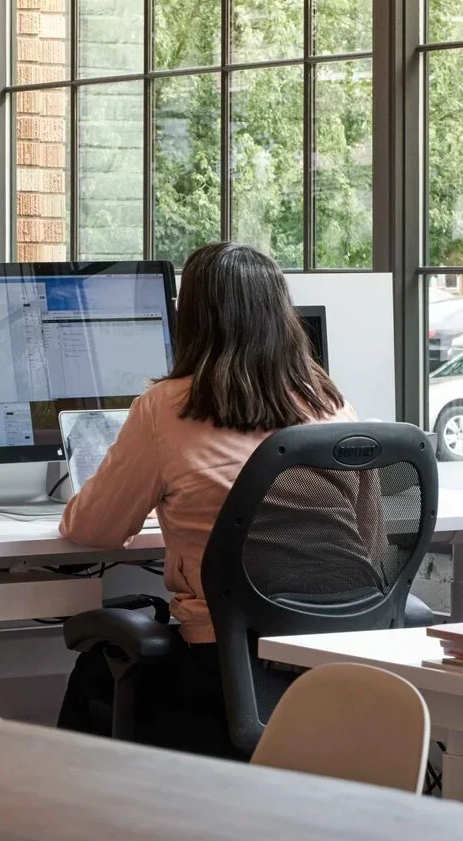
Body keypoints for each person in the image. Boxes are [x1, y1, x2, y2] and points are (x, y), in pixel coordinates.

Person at [56, 241, 352, 755]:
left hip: (218, 670)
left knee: (95, 668)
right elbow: (365, 540)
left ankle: (75, 831)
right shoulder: (332, 405)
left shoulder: (166, 407)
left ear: (187, 318)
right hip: (331, 662)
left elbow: (93, 531)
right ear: (283, 316)